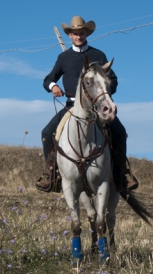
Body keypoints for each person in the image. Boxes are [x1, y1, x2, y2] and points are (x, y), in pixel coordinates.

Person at [36, 16, 138, 192]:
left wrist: (103, 94)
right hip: (72, 107)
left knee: (119, 132)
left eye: (81, 33)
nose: (78, 36)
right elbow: (48, 79)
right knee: (46, 133)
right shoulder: (64, 57)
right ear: (70, 35)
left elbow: (113, 79)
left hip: (97, 108)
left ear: (86, 34)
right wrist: (54, 87)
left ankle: (122, 174)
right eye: (75, 33)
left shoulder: (98, 55)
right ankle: (52, 175)